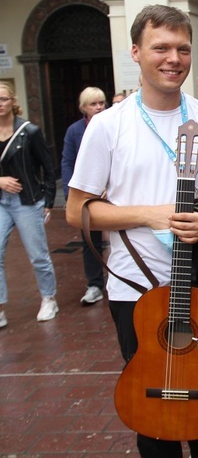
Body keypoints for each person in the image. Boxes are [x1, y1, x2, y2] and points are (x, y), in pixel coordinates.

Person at [65, 5, 198, 457]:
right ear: (136, 52)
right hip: (135, 287)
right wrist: (151, 215)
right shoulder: (107, 126)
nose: (174, 58)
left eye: (183, 48)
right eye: (161, 48)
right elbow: (77, 211)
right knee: (151, 407)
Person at [0, 81, 57, 328]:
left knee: (37, 255)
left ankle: (48, 298)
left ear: (13, 100)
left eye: (3, 99)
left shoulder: (29, 131)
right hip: (1, 201)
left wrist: (49, 200)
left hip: (27, 201)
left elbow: (47, 165)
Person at [61, 86, 107, 306]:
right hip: (87, 193)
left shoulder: (112, 125)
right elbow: (68, 161)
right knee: (90, 240)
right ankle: (95, 284)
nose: (98, 108)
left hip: (111, 192)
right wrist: (72, 194)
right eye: (93, 104)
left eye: (101, 103)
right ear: (83, 108)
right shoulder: (74, 131)